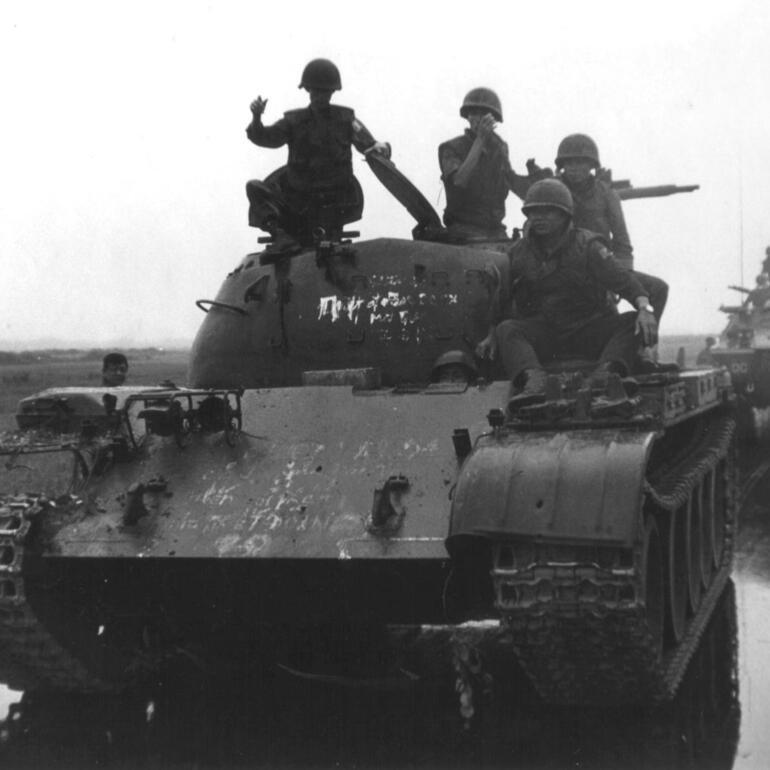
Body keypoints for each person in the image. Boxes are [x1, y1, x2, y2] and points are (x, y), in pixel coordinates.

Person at [476, 179, 659, 408]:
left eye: (547, 211)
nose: (538, 218)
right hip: (547, 333)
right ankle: (534, 381)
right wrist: (492, 332)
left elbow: (624, 282)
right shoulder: (519, 253)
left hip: (589, 329)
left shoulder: (588, 246)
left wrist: (644, 308)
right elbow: (504, 295)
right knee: (507, 329)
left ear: (564, 214)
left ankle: (606, 374)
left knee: (632, 322)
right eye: (533, 212)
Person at [245, 58, 390, 249]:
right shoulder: (293, 121)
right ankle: (281, 235)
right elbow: (265, 137)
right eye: (315, 90)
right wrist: (256, 118)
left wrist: (381, 148)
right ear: (307, 90)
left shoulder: (345, 120)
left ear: (332, 92)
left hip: (334, 203)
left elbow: (370, 144)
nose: (320, 96)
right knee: (254, 187)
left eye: (324, 91)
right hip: (298, 204)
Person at [438, 88, 547, 242]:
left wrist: (540, 184)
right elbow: (459, 181)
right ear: (467, 116)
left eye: (485, 114)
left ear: (494, 120)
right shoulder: (452, 148)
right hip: (462, 230)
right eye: (474, 113)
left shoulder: (499, 148)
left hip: (495, 231)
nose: (479, 119)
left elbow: (511, 182)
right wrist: (479, 141)